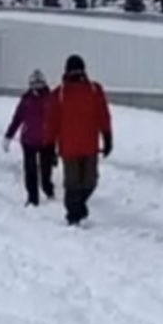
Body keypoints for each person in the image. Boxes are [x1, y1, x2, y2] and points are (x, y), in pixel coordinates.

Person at [48, 54, 113, 227]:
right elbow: (52, 123)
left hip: (89, 146)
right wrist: (49, 148)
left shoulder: (94, 90)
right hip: (69, 148)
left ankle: (78, 208)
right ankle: (73, 216)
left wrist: (107, 136)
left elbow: (103, 115)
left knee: (90, 182)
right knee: (73, 184)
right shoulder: (59, 94)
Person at [3, 69, 57, 206]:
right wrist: (8, 135)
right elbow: (17, 119)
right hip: (29, 141)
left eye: (40, 83)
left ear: (44, 83)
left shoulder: (51, 98)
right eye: (34, 83)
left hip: (47, 141)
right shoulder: (26, 100)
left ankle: (48, 188)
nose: (37, 86)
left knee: (46, 170)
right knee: (30, 170)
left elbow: (58, 120)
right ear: (30, 84)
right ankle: (32, 198)